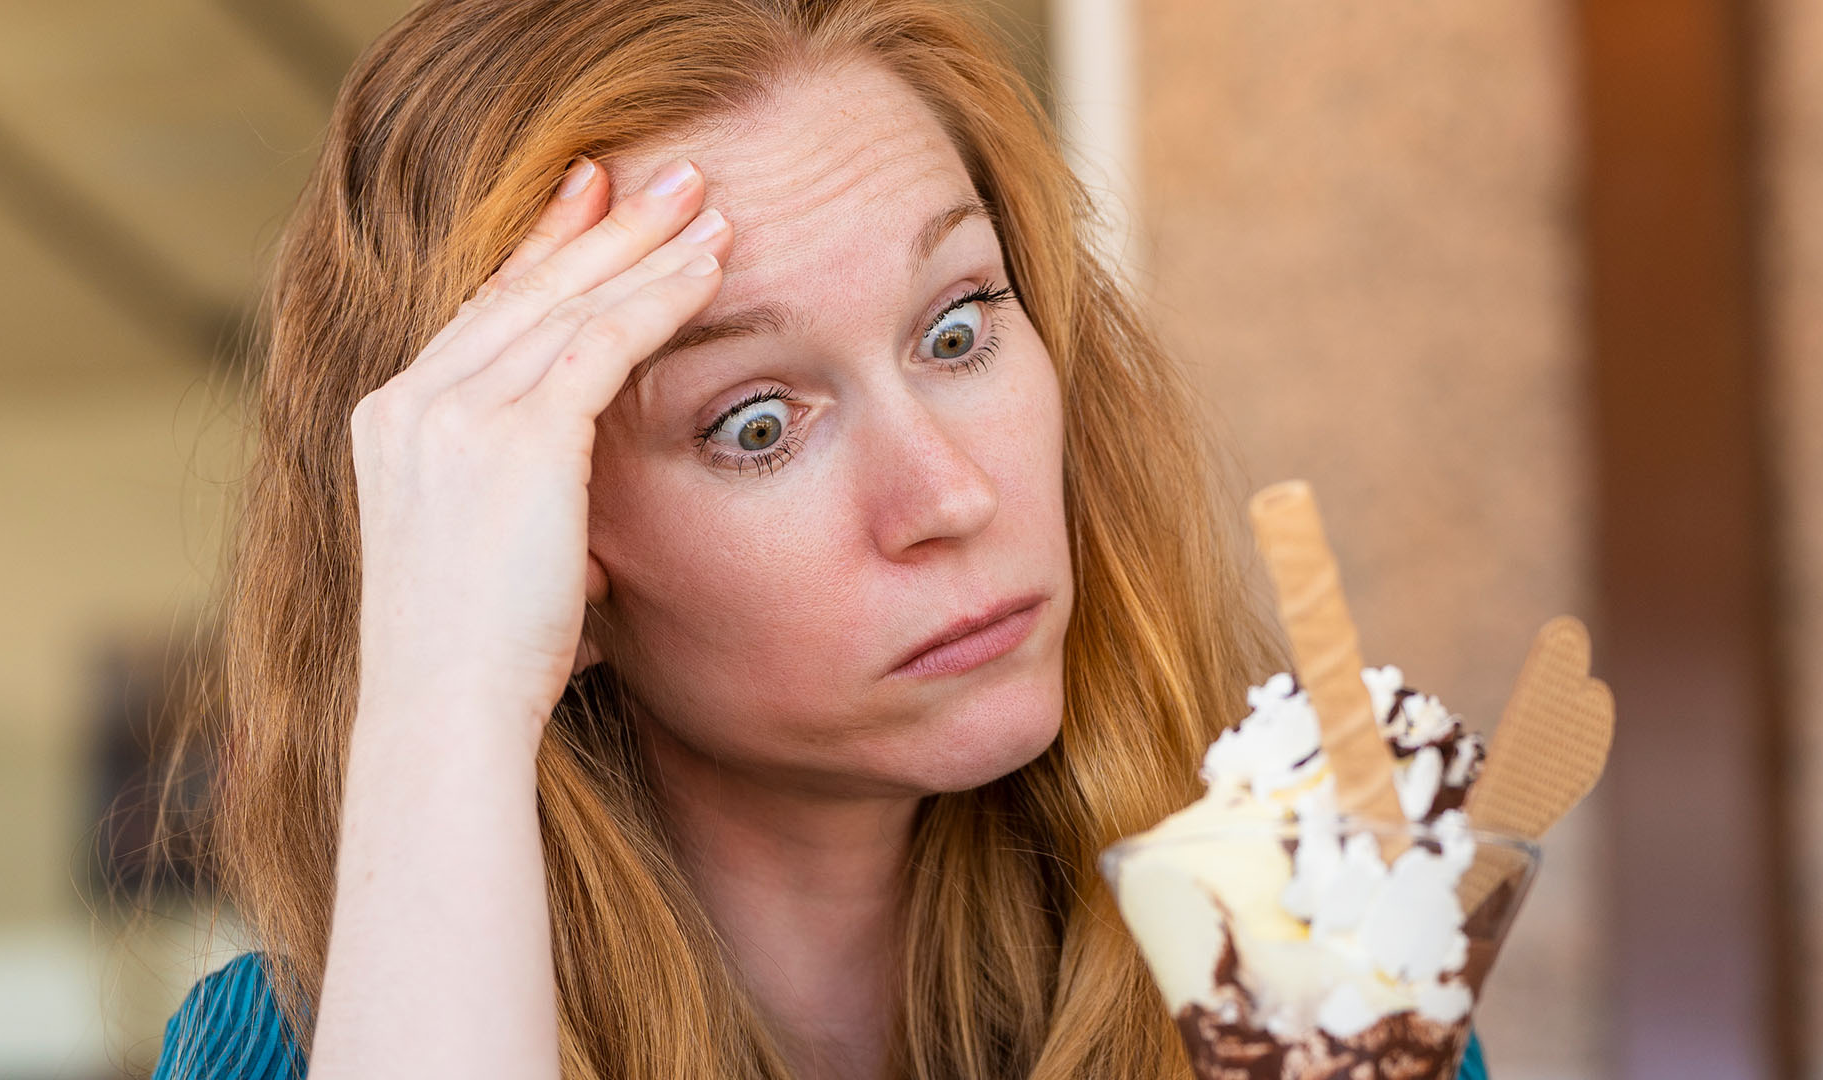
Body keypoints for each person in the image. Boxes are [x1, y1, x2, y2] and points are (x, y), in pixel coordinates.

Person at [145, 0, 1490, 1077]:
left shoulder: (1305, 975)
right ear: (548, 554)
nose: (949, 496)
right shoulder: (306, 1042)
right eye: (755, 425)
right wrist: (445, 687)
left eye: (957, 329)